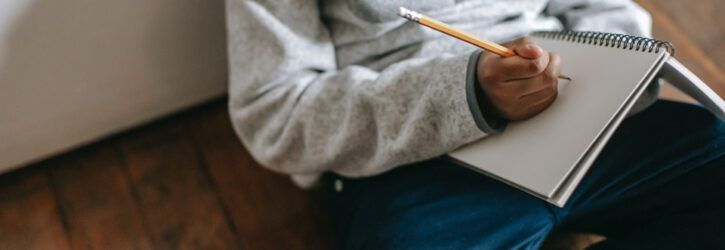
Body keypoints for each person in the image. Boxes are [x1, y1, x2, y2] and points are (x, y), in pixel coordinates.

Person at [226, 0, 725, 249]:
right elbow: (277, 113)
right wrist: (460, 94)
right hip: (414, 161)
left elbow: (604, 10)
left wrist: (607, 77)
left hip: (582, 121)